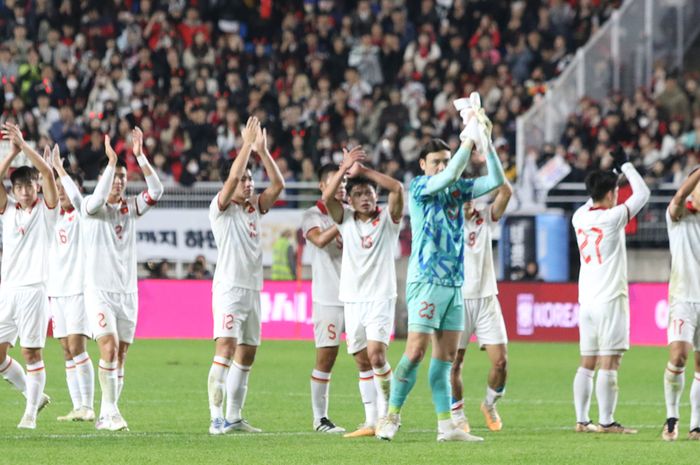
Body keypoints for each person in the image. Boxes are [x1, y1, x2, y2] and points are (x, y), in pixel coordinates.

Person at [376, 100, 505, 443]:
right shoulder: (420, 187)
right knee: (415, 350)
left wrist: (485, 143)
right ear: (423, 165)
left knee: (445, 360)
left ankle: (446, 425)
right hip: (425, 281)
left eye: (446, 161)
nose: (443, 167)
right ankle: (391, 416)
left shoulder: (458, 189)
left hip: (454, 284)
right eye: (436, 161)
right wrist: (468, 138)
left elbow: (496, 181)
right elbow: (448, 176)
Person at [81, 127, 164, 431]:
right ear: (104, 179)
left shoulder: (130, 208)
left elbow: (156, 192)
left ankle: (109, 413)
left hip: (127, 292)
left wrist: (140, 156)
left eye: (122, 178)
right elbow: (99, 196)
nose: (118, 182)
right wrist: (112, 161)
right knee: (109, 346)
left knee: (122, 354)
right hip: (99, 291)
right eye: (114, 177)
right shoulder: (91, 207)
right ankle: (108, 412)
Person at [207, 117, 285, 435]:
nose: (249, 184)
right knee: (225, 348)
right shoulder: (221, 206)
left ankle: (234, 417)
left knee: (248, 352)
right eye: (245, 181)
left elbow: (278, 185)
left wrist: (262, 152)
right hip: (229, 289)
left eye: (252, 180)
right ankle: (215, 417)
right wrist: (245, 147)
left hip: (253, 289)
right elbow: (234, 175)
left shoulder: (253, 207)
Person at [322, 146, 404, 438]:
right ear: (351, 200)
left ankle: (391, 414)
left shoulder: (388, 221)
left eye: (370, 193)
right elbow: (326, 198)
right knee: (361, 359)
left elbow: (397, 187)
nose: (366, 198)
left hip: (381, 297)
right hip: (352, 299)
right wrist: (344, 169)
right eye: (359, 194)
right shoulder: (344, 220)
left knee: (377, 355)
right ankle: (371, 421)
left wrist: (363, 172)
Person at [571, 146, 649, 434]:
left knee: (587, 361)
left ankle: (581, 420)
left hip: (587, 299)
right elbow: (643, 194)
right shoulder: (613, 217)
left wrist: (610, 175)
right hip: (611, 297)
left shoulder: (579, 216)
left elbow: (594, 195)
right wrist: (626, 167)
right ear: (611, 195)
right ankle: (606, 421)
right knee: (611, 360)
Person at [0, 122, 58, 429]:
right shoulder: (8, 210)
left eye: (28, 185)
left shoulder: (46, 212)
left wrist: (26, 148)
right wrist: (12, 153)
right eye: (18, 186)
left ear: (36, 187)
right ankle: (33, 396)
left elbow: (48, 174)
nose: (23, 190)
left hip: (34, 290)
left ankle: (30, 414)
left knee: (31, 352)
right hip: (7, 290)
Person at [450, 180, 512, 433]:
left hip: (487, 298)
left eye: (470, 194)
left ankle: (489, 404)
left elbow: (507, 191)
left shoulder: (484, 216)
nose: (467, 198)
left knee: (500, 363)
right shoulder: (445, 222)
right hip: (457, 300)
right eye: (461, 194)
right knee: (454, 364)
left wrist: (488, 152)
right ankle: (458, 414)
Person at [49, 145, 95, 422]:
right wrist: (48, 171)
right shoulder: (52, 216)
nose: (62, 192)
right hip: (57, 290)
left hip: (79, 289)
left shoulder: (84, 214)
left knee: (78, 346)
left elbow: (76, 199)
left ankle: (88, 406)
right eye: (58, 188)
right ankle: (78, 407)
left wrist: (60, 169)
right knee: (66, 349)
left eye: (65, 187)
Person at [301, 163, 346, 433]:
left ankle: (373, 417)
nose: (340, 188)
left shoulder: (354, 213)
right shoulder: (312, 215)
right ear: (322, 186)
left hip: (358, 297)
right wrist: (342, 223)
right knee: (326, 357)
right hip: (328, 297)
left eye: (343, 184)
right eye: (334, 183)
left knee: (368, 356)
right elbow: (318, 241)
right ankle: (320, 419)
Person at [661, 166, 700, 441]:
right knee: (678, 356)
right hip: (683, 298)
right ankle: (672, 418)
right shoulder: (678, 217)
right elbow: (678, 196)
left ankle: (696, 425)